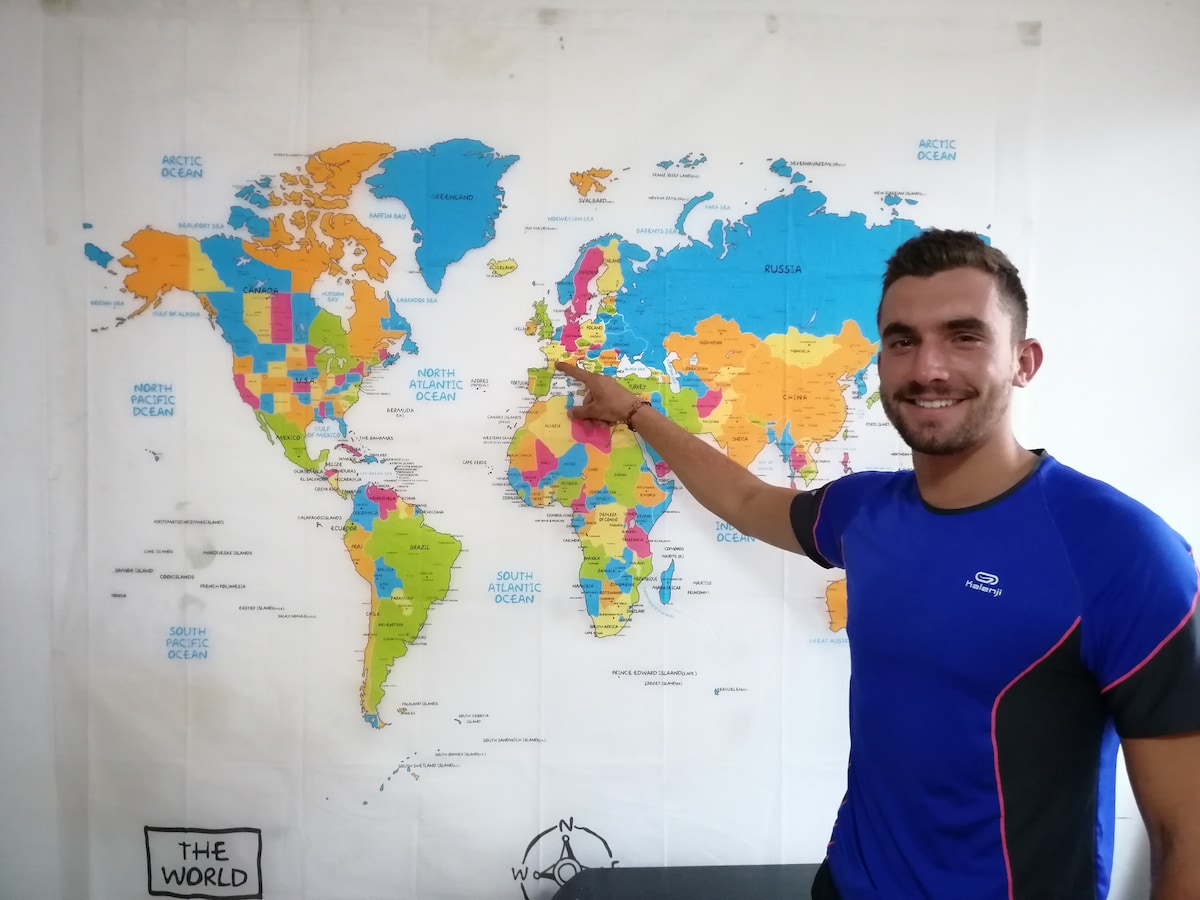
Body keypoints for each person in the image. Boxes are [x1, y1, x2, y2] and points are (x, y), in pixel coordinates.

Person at [555, 229, 1200, 899]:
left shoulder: (1125, 553)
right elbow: (745, 500)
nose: (929, 368)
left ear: (1023, 361)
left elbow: (1186, 835)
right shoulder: (861, 512)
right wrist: (634, 412)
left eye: (964, 336)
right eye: (902, 341)